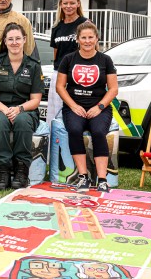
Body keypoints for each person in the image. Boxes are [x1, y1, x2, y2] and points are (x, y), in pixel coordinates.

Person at [55, 21, 118, 193]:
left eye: (91, 37)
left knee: (98, 132)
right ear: (78, 39)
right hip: (74, 107)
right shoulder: (68, 59)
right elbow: (60, 86)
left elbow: (113, 88)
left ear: (97, 39)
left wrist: (100, 106)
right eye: (84, 37)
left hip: (99, 107)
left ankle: (103, 179)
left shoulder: (105, 60)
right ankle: (83, 176)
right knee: (74, 130)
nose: (87, 41)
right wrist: (73, 105)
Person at [0, 23, 44, 191]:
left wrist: (19, 109)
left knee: (23, 122)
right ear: (5, 41)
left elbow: (36, 100)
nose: (14, 42)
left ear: (24, 40)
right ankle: (3, 171)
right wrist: (5, 110)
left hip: (26, 109)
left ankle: (21, 171)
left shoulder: (33, 65)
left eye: (18, 38)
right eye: (10, 39)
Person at [48, 0, 87, 126]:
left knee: (74, 114)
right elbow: (56, 52)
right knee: (56, 115)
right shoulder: (56, 27)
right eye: (65, 3)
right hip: (58, 74)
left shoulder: (85, 24)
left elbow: (94, 50)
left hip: (78, 74)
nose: (68, 6)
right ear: (60, 4)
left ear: (78, 4)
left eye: (72, 3)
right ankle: (56, 145)